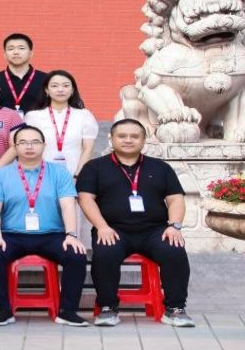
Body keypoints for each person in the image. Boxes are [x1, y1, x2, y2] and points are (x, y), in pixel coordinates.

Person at [77, 118, 194, 327]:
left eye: (134, 136)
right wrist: (102, 227)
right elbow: (85, 199)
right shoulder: (94, 167)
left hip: (155, 230)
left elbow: (176, 199)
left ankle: (175, 308)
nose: (128, 140)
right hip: (113, 229)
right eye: (122, 136)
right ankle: (107, 307)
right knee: (105, 254)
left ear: (144, 140)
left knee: (174, 250)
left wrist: (174, 226)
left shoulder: (161, 167)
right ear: (111, 139)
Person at [0, 125, 89, 326]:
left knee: (76, 255)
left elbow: (68, 206)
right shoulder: (0, 175)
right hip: (12, 234)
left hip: (51, 234)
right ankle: (3, 311)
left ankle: (67, 312)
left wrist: (71, 235)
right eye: (23, 142)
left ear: (44, 145)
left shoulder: (60, 173)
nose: (29, 146)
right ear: (15, 147)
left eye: (35, 142)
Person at [24, 70, 98, 178]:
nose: (60, 89)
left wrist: (77, 176)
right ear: (46, 90)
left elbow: (88, 148)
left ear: (72, 90)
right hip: (39, 176)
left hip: (74, 175)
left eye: (66, 86)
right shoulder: (33, 116)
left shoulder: (84, 115)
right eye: (54, 86)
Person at [0, 33, 46, 116]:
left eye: (21, 48)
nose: (16, 52)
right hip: (3, 123)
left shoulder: (45, 79)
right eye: (11, 49)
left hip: (38, 124)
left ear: (31, 53)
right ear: (5, 54)